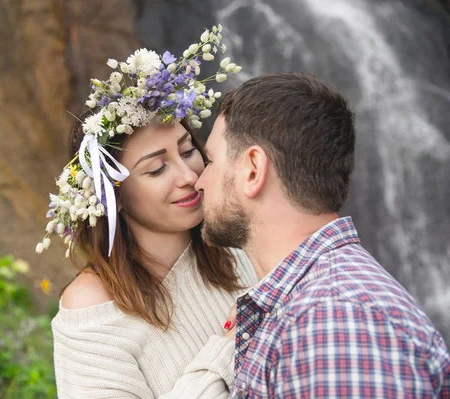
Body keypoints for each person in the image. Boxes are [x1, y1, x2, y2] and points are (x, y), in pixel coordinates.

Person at [196, 72, 450, 398]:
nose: (198, 181)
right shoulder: (319, 308)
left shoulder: (334, 322)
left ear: (253, 171)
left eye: (209, 162)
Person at [38, 26, 257, 398]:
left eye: (188, 151)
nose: (190, 176)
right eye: (156, 170)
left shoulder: (239, 248)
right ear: (115, 197)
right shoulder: (93, 311)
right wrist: (231, 344)